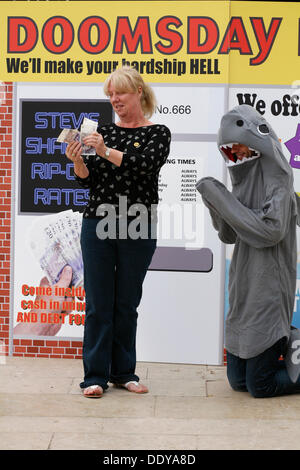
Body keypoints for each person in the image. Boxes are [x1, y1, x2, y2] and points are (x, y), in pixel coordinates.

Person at [65, 66, 171, 398]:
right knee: (98, 303)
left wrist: (104, 151)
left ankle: (124, 372)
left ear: (138, 92)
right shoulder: (103, 133)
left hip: (138, 222)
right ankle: (94, 376)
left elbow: (144, 166)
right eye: (110, 94)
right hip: (98, 221)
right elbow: (89, 180)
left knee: (126, 302)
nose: (115, 99)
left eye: (120, 93)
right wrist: (78, 163)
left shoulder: (158, 132)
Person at [196, 104, 300, 398]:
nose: (238, 156)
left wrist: (222, 198)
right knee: (239, 382)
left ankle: (285, 339)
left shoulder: (279, 182)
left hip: (268, 287)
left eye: (241, 149)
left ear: (258, 144)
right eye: (232, 151)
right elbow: (229, 234)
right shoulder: (242, 181)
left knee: (260, 386)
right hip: (243, 286)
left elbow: (270, 232)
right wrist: (216, 204)